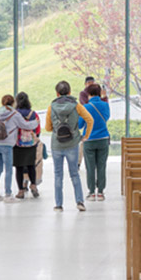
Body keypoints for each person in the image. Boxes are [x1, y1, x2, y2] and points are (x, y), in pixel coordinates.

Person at [46, 81, 93, 211]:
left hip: (57, 145)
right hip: (72, 144)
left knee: (58, 175)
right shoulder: (76, 105)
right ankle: (79, 202)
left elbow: (48, 128)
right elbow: (90, 119)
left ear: (57, 93)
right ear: (70, 92)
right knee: (74, 174)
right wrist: (85, 136)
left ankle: (58, 205)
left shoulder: (51, 107)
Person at [81, 83, 112, 199]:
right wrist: (104, 99)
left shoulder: (86, 107)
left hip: (89, 140)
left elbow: (80, 124)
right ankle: (101, 192)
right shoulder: (105, 105)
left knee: (90, 167)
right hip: (103, 139)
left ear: (88, 94)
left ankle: (91, 192)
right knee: (101, 166)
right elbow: (107, 118)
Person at [9, 92, 41, 199]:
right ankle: (33, 185)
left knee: (19, 168)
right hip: (30, 143)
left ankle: (21, 191)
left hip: (18, 144)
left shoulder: (14, 114)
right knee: (31, 165)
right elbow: (37, 129)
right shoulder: (33, 114)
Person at [0, 94, 18, 199]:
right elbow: (25, 125)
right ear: (13, 103)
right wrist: (35, 123)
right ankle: (8, 194)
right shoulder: (14, 114)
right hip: (7, 144)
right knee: (8, 169)